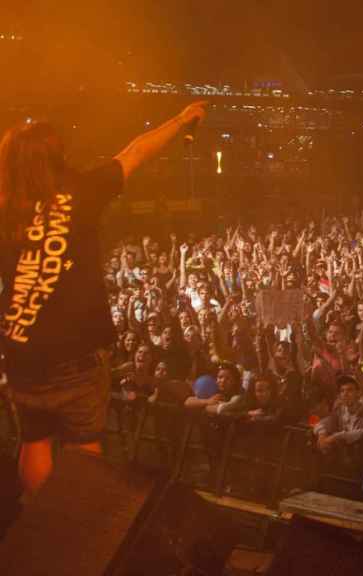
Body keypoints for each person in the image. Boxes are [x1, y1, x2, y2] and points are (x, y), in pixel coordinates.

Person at [0, 101, 208, 494]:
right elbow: (135, 153)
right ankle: (75, 529)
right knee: (83, 447)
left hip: (23, 350)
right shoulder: (81, 191)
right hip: (76, 351)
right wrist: (181, 120)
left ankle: (38, 524)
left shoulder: (5, 208)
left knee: (34, 439)